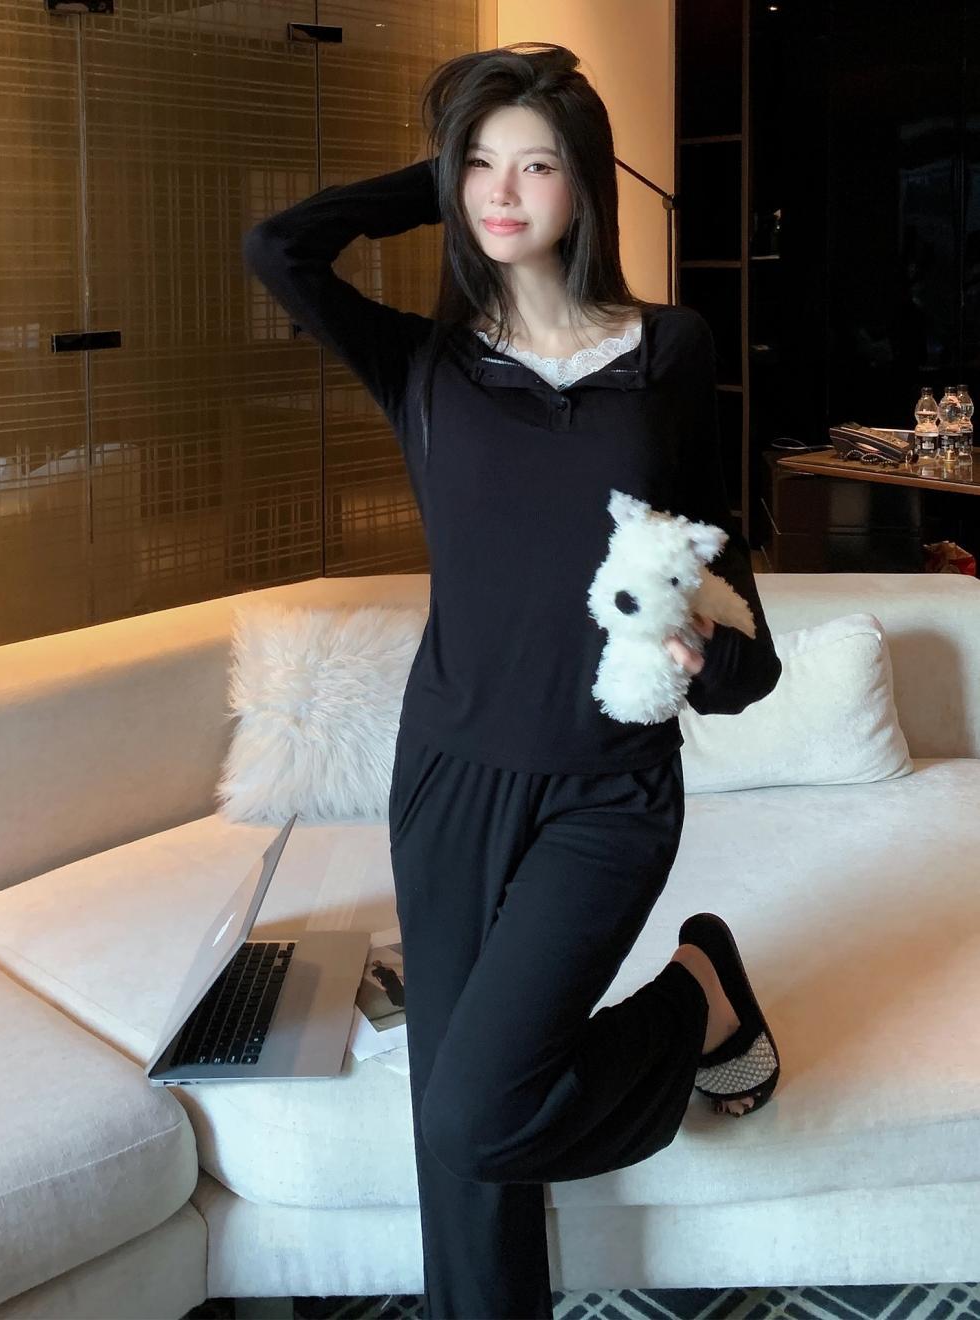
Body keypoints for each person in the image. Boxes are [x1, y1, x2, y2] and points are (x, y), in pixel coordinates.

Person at [243, 41, 784, 1320]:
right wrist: (437, 174)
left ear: (586, 184)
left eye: (536, 165)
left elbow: (721, 569)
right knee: (461, 1156)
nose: (500, 191)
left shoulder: (670, 348)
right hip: (448, 779)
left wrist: (719, 665)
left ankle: (699, 996)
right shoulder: (429, 365)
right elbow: (279, 248)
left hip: (608, 791)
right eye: (479, 166)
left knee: (477, 1112)